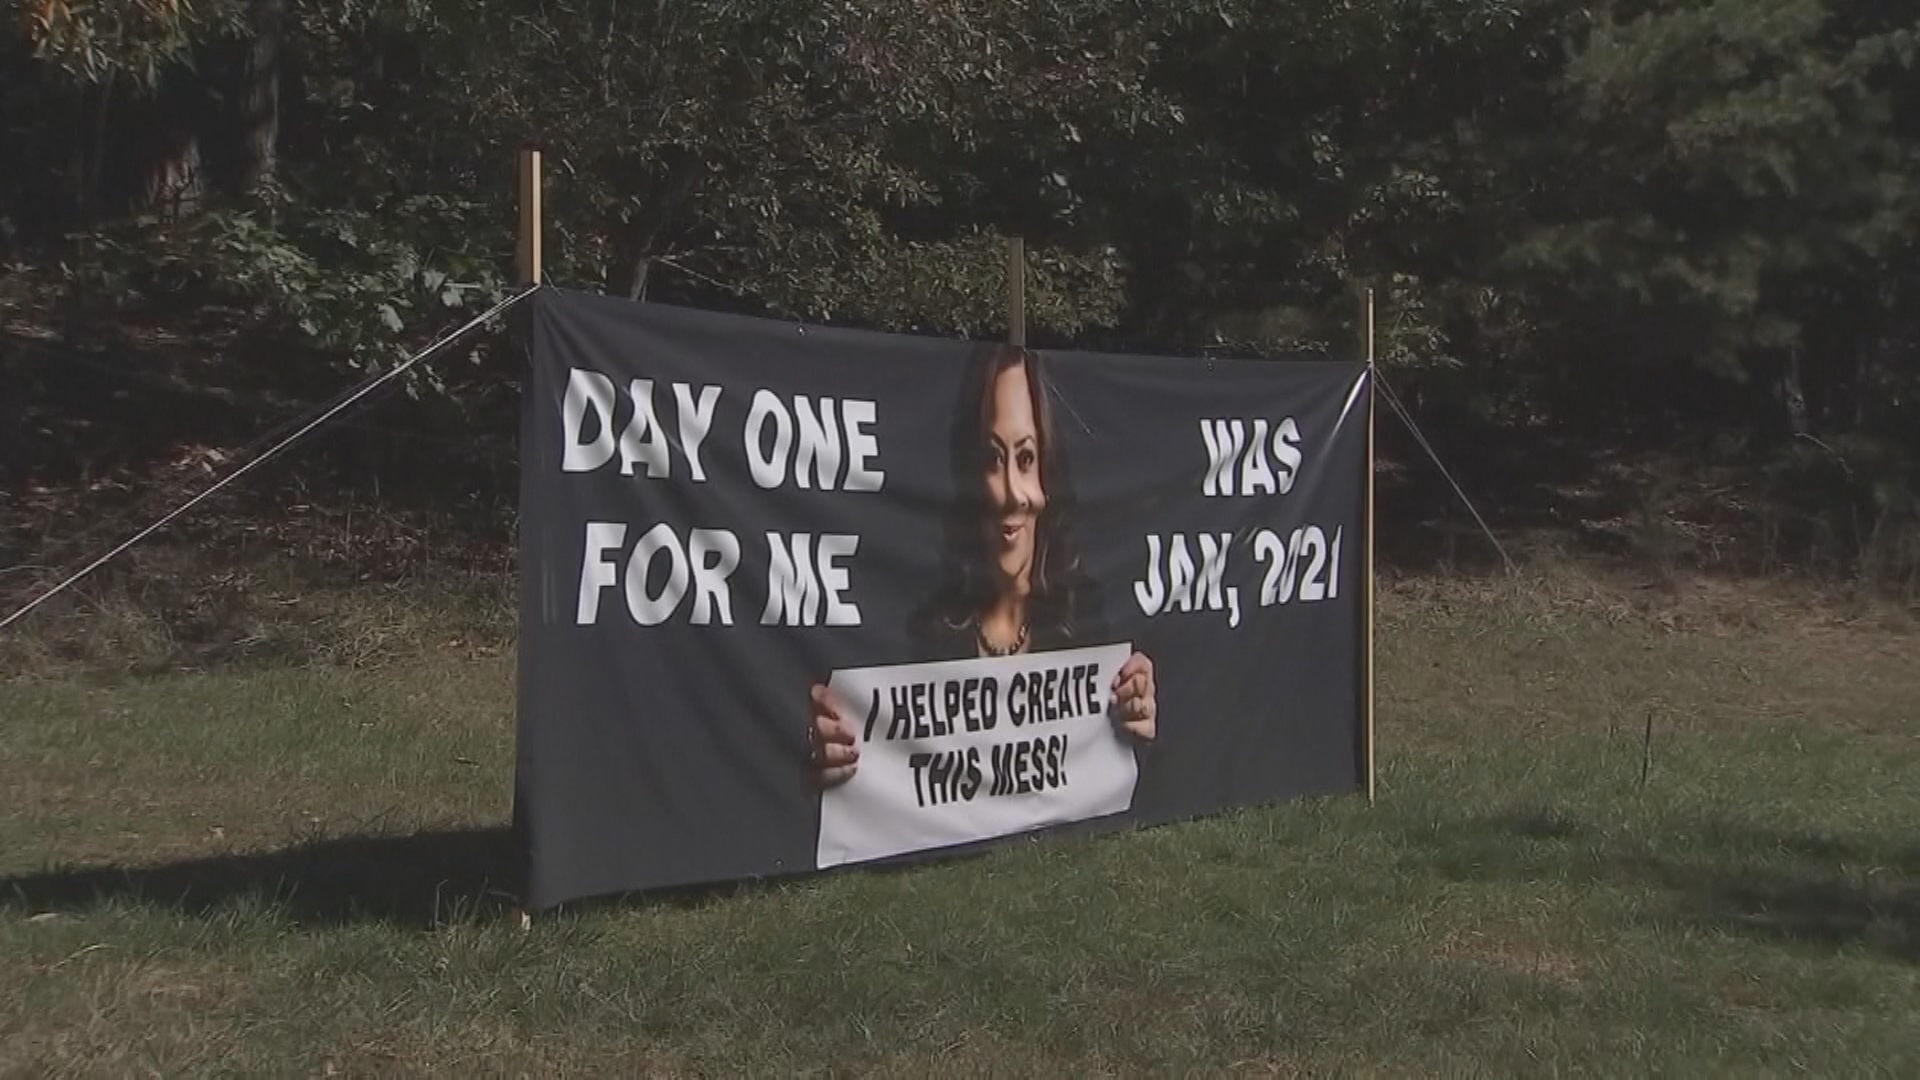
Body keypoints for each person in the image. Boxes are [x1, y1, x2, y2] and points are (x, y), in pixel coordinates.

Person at [809, 344, 1156, 786]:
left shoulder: (1084, 615)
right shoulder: (917, 631)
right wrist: (828, 743)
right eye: (993, 460)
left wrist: (1138, 717)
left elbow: (1122, 770)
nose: (1012, 492)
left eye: (1026, 459)